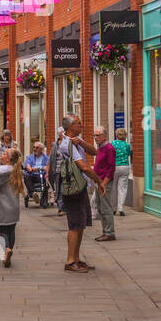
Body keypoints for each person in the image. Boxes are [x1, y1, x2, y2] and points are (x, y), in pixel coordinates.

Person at [57, 114, 103, 273]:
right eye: (78, 123)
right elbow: (83, 166)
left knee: (81, 224)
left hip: (80, 186)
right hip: (73, 188)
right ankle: (70, 262)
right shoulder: (66, 144)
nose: (81, 125)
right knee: (75, 225)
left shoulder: (76, 141)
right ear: (70, 127)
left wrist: (82, 142)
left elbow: (94, 152)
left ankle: (76, 259)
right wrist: (99, 181)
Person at [0, 148, 24, 268]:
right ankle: (8, 250)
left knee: (1, 230)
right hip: (13, 205)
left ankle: (7, 250)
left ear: (8, 159)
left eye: (4, 154)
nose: (2, 155)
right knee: (11, 230)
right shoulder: (18, 171)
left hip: (1, 205)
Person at [92, 126, 117, 242]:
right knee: (101, 207)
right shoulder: (100, 147)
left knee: (105, 207)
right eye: (94, 135)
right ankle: (105, 231)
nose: (95, 137)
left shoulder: (109, 148)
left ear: (104, 136)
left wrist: (104, 183)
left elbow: (111, 168)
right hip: (99, 181)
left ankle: (109, 233)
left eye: (98, 135)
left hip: (104, 182)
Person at [111, 127, 132, 215]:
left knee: (113, 188)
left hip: (114, 167)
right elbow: (129, 154)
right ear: (125, 136)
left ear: (116, 135)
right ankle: (121, 208)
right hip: (125, 166)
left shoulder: (112, 143)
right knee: (122, 188)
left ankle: (113, 208)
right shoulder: (127, 145)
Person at [23, 141, 49, 208]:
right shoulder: (29, 157)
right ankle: (33, 193)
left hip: (42, 174)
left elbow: (48, 166)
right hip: (33, 174)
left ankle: (43, 200)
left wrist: (42, 168)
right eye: (34, 147)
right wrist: (30, 169)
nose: (35, 149)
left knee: (46, 179)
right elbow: (27, 165)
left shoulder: (46, 157)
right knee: (26, 176)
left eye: (37, 148)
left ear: (41, 149)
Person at [48, 129, 66, 214]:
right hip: (57, 170)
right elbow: (51, 157)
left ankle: (63, 207)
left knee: (64, 189)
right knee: (58, 189)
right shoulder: (55, 145)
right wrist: (48, 170)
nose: (63, 135)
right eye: (61, 133)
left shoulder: (67, 144)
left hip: (66, 170)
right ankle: (60, 207)